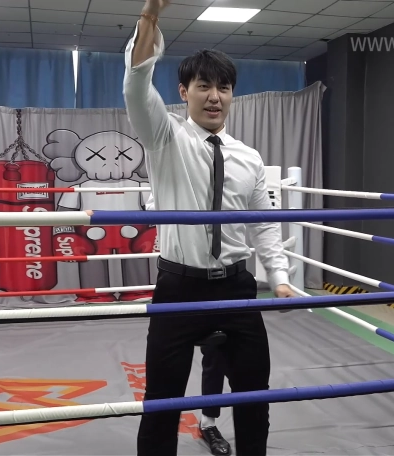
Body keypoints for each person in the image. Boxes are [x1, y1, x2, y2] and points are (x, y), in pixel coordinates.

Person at [123, 0, 296, 454]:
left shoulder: (249, 157)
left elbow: (263, 225)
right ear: (184, 92)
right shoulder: (165, 137)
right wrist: (150, 17)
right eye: (204, 86)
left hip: (237, 288)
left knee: (254, 400)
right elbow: (137, 84)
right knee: (161, 403)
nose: (215, 96)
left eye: (223, 87)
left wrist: (279, 277)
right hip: (179, 288)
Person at [144, 193, 232, 456]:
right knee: (166, 371)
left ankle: (208, 423)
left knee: (218, 351)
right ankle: (161, 438)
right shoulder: (172, 177)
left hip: (223, 274)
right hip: (180, 275)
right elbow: (152, 207)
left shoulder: (227, 177)